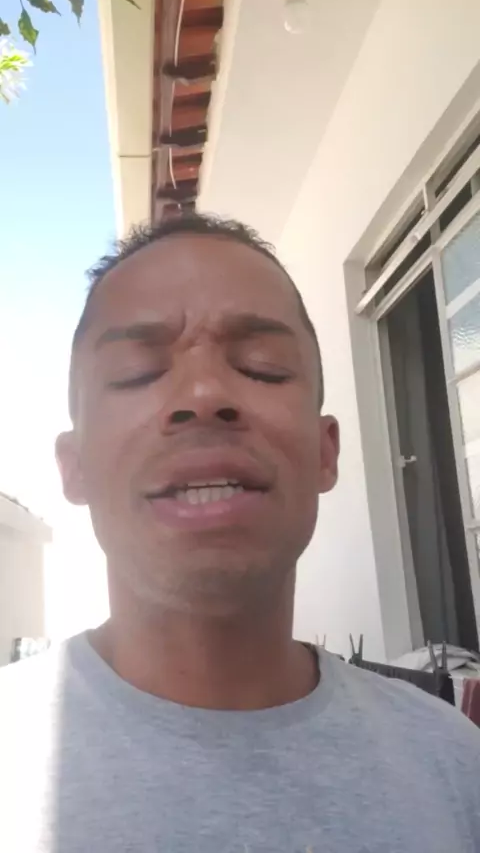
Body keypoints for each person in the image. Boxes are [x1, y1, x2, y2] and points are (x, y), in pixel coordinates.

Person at [1, 214, 479, 853]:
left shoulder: (454, 764)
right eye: (137, 371)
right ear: (74, 466)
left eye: (263, 367)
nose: (203, 394)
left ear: (325, 452)